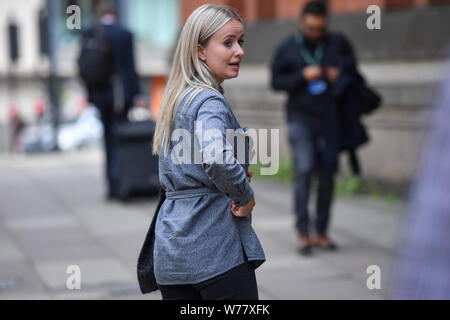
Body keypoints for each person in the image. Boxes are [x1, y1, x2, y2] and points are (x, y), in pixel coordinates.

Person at [147, 4, 265, 300]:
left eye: (240, 42)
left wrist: (232, 171)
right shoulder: (209, 101)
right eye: (228, 43)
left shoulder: (177, 98)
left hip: (172, 252)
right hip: (214, 249)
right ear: (200, 51)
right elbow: (215, 157)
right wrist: (243, 194)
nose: (238, 51)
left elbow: (195, 164)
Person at [271, 1, 359, 255]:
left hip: (330, 118)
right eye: (310, 29)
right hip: (300, 117)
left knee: (328, 173)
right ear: (301, 23)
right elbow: (276, 82)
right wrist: (302, 76)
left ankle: (321, 231)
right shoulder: (287, 47)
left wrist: (337, 75)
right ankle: (303, 233)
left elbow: (353, 73)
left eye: (319, 29)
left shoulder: (337, 43)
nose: (315, 34)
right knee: (304, 169)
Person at [79, 2, 140, 200]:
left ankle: (111, 187)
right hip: (120, 97)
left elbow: (83, 66)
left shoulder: (90, 33)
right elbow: (130, 68)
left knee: (107, 142)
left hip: (100, 97)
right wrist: (136, 95)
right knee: (121, 141)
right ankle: (124, 183)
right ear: (115, 14)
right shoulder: (124, 34)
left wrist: (91, 96)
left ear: (99, 15)